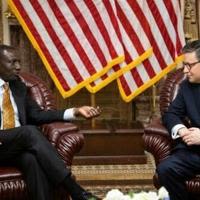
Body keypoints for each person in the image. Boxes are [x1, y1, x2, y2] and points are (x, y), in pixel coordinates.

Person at [0, 44, 101, 200]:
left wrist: (75, 111)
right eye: (12, 62)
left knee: (31, 159)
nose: (18, 67)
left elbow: (37, 115)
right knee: (30, 131)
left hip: (14, 146)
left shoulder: (17, 86)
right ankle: (76, 192)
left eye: (19, 62)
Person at [157, 40, 200, 200]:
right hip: (194, 153)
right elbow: (171, 114)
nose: (185, 70)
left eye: (190, 65)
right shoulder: (186, 86)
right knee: (165, 169)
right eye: (184, 64)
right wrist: (181, 130)